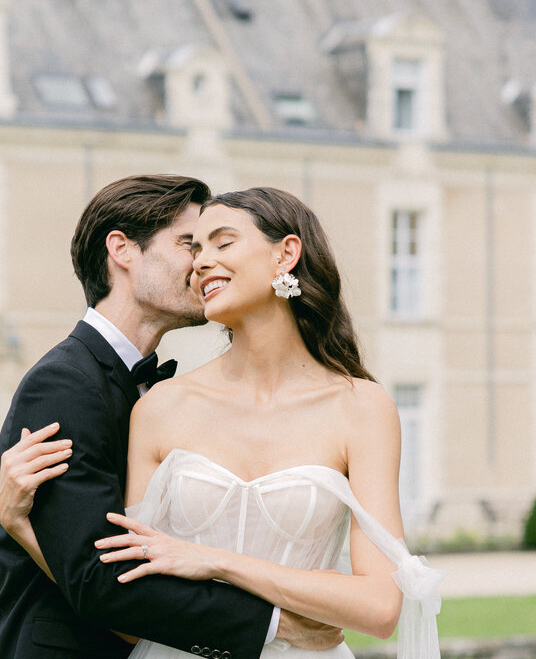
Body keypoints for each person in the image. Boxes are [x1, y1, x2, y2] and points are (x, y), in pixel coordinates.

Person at [0, 174, 344, 659]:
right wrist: (274, 623)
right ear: (122, 250)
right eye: (189, 244)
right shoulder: (65, 384)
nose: (203, 265)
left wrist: (21, 527)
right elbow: (100, 578)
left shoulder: (156, 390)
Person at [92, 187, 443, 659]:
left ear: (287, 254)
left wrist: (215, 562)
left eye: (223, 242)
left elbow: (380, 606)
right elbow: (126, 605)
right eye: (195, 249)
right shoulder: (160, 408)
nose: (200, 262)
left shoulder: (361, 407)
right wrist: (18, 523)